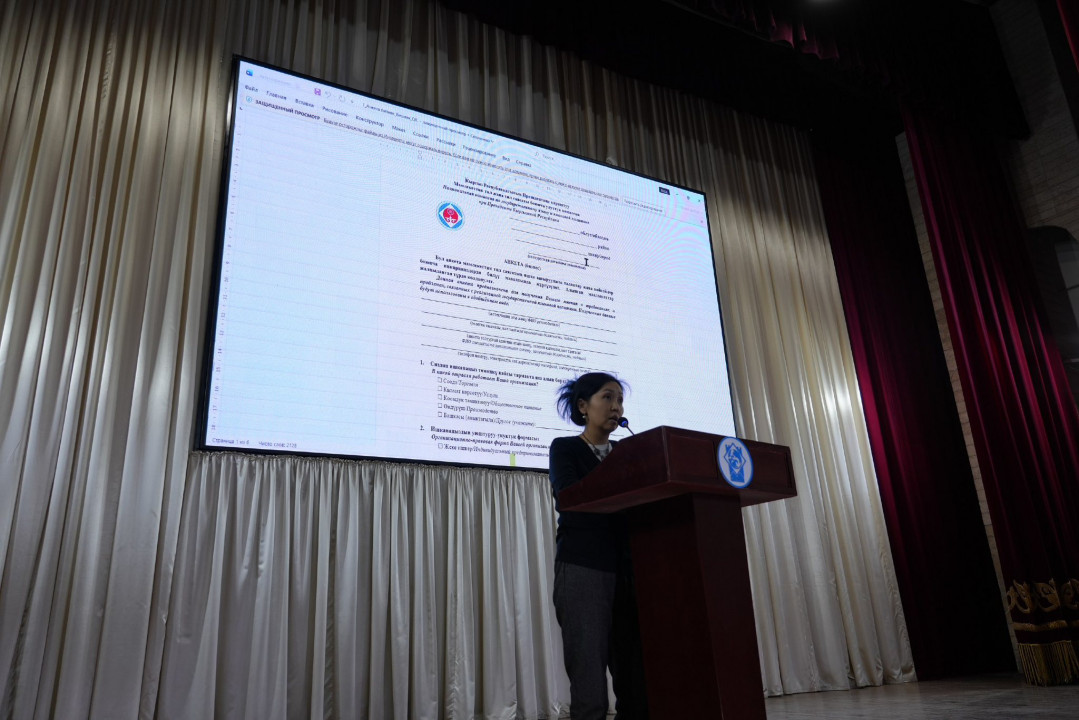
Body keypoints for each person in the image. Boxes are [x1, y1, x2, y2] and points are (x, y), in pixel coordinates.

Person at [549, 372, 648, 720]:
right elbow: (569, 497)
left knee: (637, 680)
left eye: (619, 399)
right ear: (583, 406)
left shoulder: (628, 452)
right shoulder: (565, 448)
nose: (616, 406)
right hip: (584, 568)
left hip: (629, 571)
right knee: (589, 679)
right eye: (607, 397)